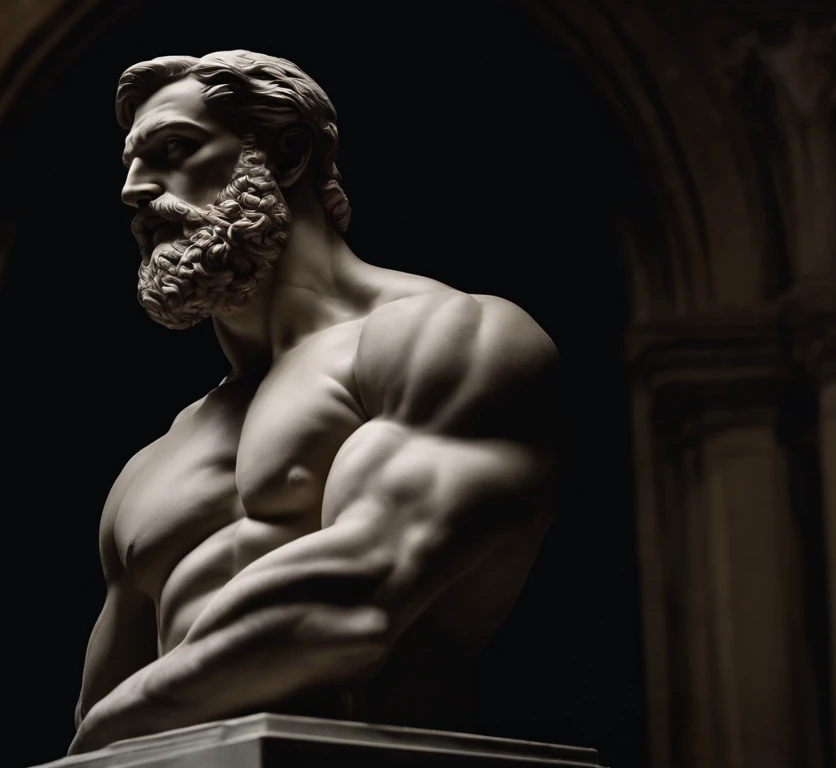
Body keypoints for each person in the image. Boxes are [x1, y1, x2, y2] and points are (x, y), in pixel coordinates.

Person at [70, 50, 560, 755]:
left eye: (174, 149)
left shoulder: (446, 339)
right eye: (128, 164)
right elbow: (104, 700)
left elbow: (353, 604)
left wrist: (98, 738)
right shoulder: (157, 461)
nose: (134, 190)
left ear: (289, 154)